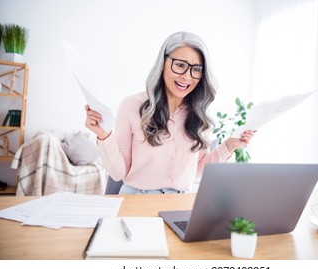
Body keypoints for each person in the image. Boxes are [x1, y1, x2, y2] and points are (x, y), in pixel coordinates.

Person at [85, 31, 255, 194]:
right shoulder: (131, 106)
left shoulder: (200, 115)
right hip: (137, 199)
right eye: (180, 65)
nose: (187, 77)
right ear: (163, 62)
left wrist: (229, 146)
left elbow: (197, 170)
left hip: (178, 202)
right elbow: (118, 173)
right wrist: (104, 136)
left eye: (196, 69)